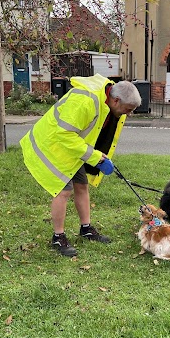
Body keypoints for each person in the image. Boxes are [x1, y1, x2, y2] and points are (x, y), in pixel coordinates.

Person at [20, 74, 141, 257]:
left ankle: (86, 229)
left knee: (82, 185)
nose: (129, 114)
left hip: (73, 149)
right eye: (128, 109)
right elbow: (64, 134)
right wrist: (93, 155)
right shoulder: (85, 101)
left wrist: (97, 155)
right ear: (116, 100)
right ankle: (58, 237)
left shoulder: (105, 100)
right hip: (52, 145)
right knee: (63, 190)